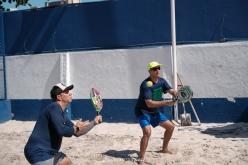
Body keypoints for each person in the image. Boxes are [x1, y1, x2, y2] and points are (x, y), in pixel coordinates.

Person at [24, 83, 102, 165]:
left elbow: (77, 133)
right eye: (66, 92)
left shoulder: (61, 113)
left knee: (66, 161)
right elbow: (62, 131)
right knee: (65, 161)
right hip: (38, 153)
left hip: (47, 153)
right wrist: (76, 127)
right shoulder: (54, 107)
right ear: (59, 97)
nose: (70, 93)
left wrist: (94, 123)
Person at [135, 61, 177, 164]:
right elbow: (149, 103)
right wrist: (167, 103)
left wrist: (178, 93)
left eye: (158, 68)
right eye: (154, 69)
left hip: (154, 112)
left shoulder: (162, 81)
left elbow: (171, 91)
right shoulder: (146, 84)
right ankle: (141, 157)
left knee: (170, 127)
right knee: (147, 132)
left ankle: (164, 149)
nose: (157, 70)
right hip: (143, 112)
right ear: (150, 71)